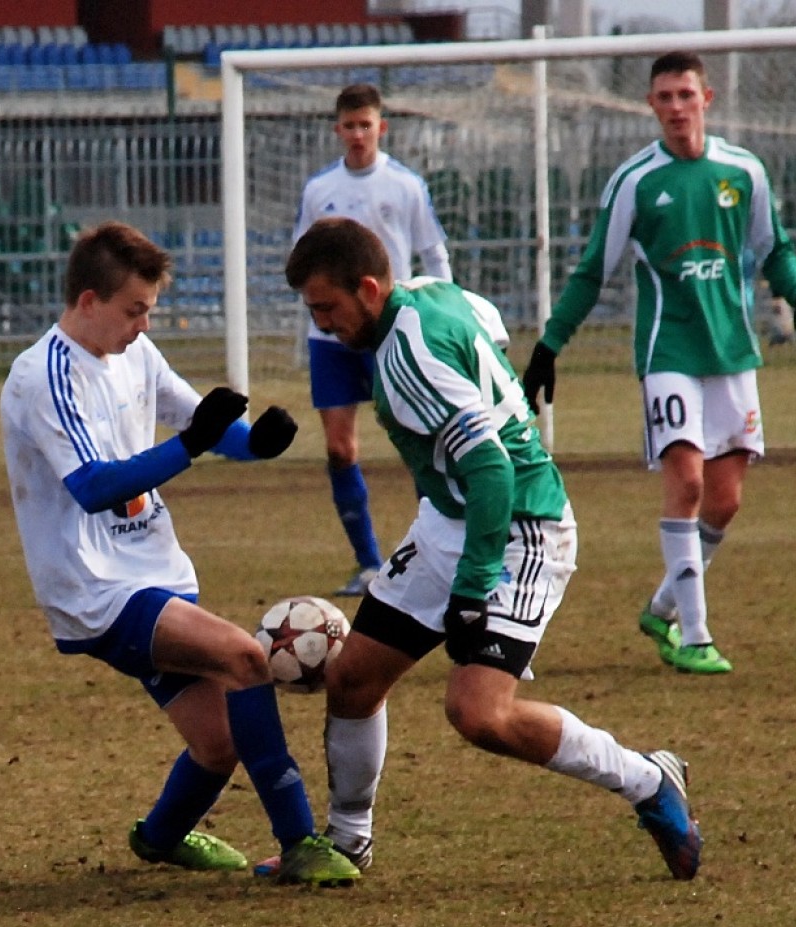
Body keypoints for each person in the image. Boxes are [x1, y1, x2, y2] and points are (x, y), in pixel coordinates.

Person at [272, 215, 703, 883]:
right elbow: (490, 329)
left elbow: (493, 469)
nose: (323, 325)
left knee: (479, 714)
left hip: (519, 529)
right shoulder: (435, 293)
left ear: (369, 289)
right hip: (449, 519)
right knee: (353, 679)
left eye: (327, 308)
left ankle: (648, 778)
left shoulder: (406, 357)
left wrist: (473, 588)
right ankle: (348, 841)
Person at [0, 220, 359, 887]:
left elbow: (206, 424)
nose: (143, 326)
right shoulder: (42, 375)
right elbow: (93, 487)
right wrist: (192, 444)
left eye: (150, 311)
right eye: (134, 310)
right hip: (96, 589)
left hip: (153, 574)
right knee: (246, 658)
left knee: (218, 744)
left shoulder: (135, 352)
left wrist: (256, 444)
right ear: (88, 301)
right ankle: (299, 840)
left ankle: (160, 836)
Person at [522, 50, 796, 675]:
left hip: (732, 352)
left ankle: (662, 605)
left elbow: (773, 248)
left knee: (725, 501)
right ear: (651, 105)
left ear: (705, 99)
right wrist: (549, 346)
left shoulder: (743, 171)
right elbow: (592, 271)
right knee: (686, 483)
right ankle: (694, 636)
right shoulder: (636, 181)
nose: (675, 107)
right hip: (668, 352)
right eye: (664, 97)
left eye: (685, 95)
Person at [293, 82, 453, 596]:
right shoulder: (319, 190)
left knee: (419, 441)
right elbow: (302, 258)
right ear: (337, 130)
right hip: (331, 339)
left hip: (391, 331)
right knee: (340, 449)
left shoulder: (405, 185)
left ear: (381, 128)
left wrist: (443, 315)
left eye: (366, 125)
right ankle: (367, 564)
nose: (358, 134)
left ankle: (435, 553)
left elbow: (434, 253)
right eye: (350, 125)